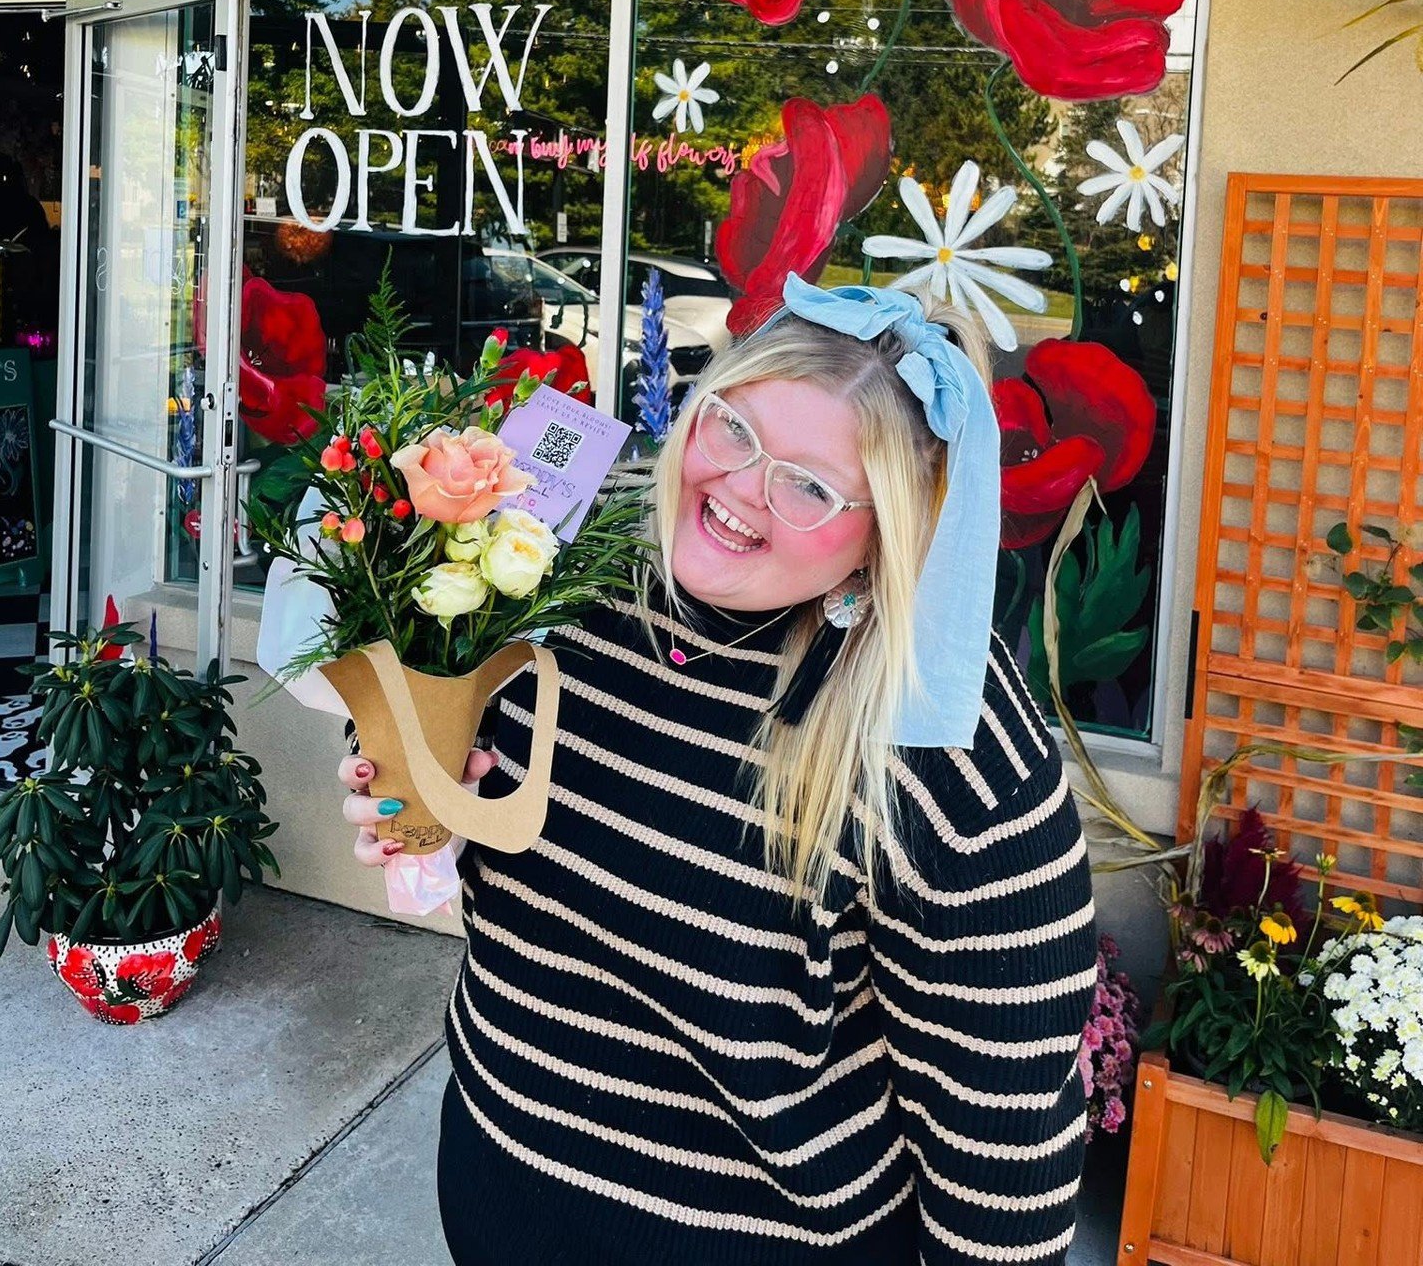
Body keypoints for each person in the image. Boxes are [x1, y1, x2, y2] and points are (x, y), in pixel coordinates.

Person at [340, 274, 1096, 1265]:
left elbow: (1004, 1140)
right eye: (732, 428)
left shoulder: (942, 731)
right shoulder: (557, 540)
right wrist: (400, 779)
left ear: (885, 536)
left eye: (811, 485)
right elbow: (418, 710)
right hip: (496, 1175)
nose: (741, 490)